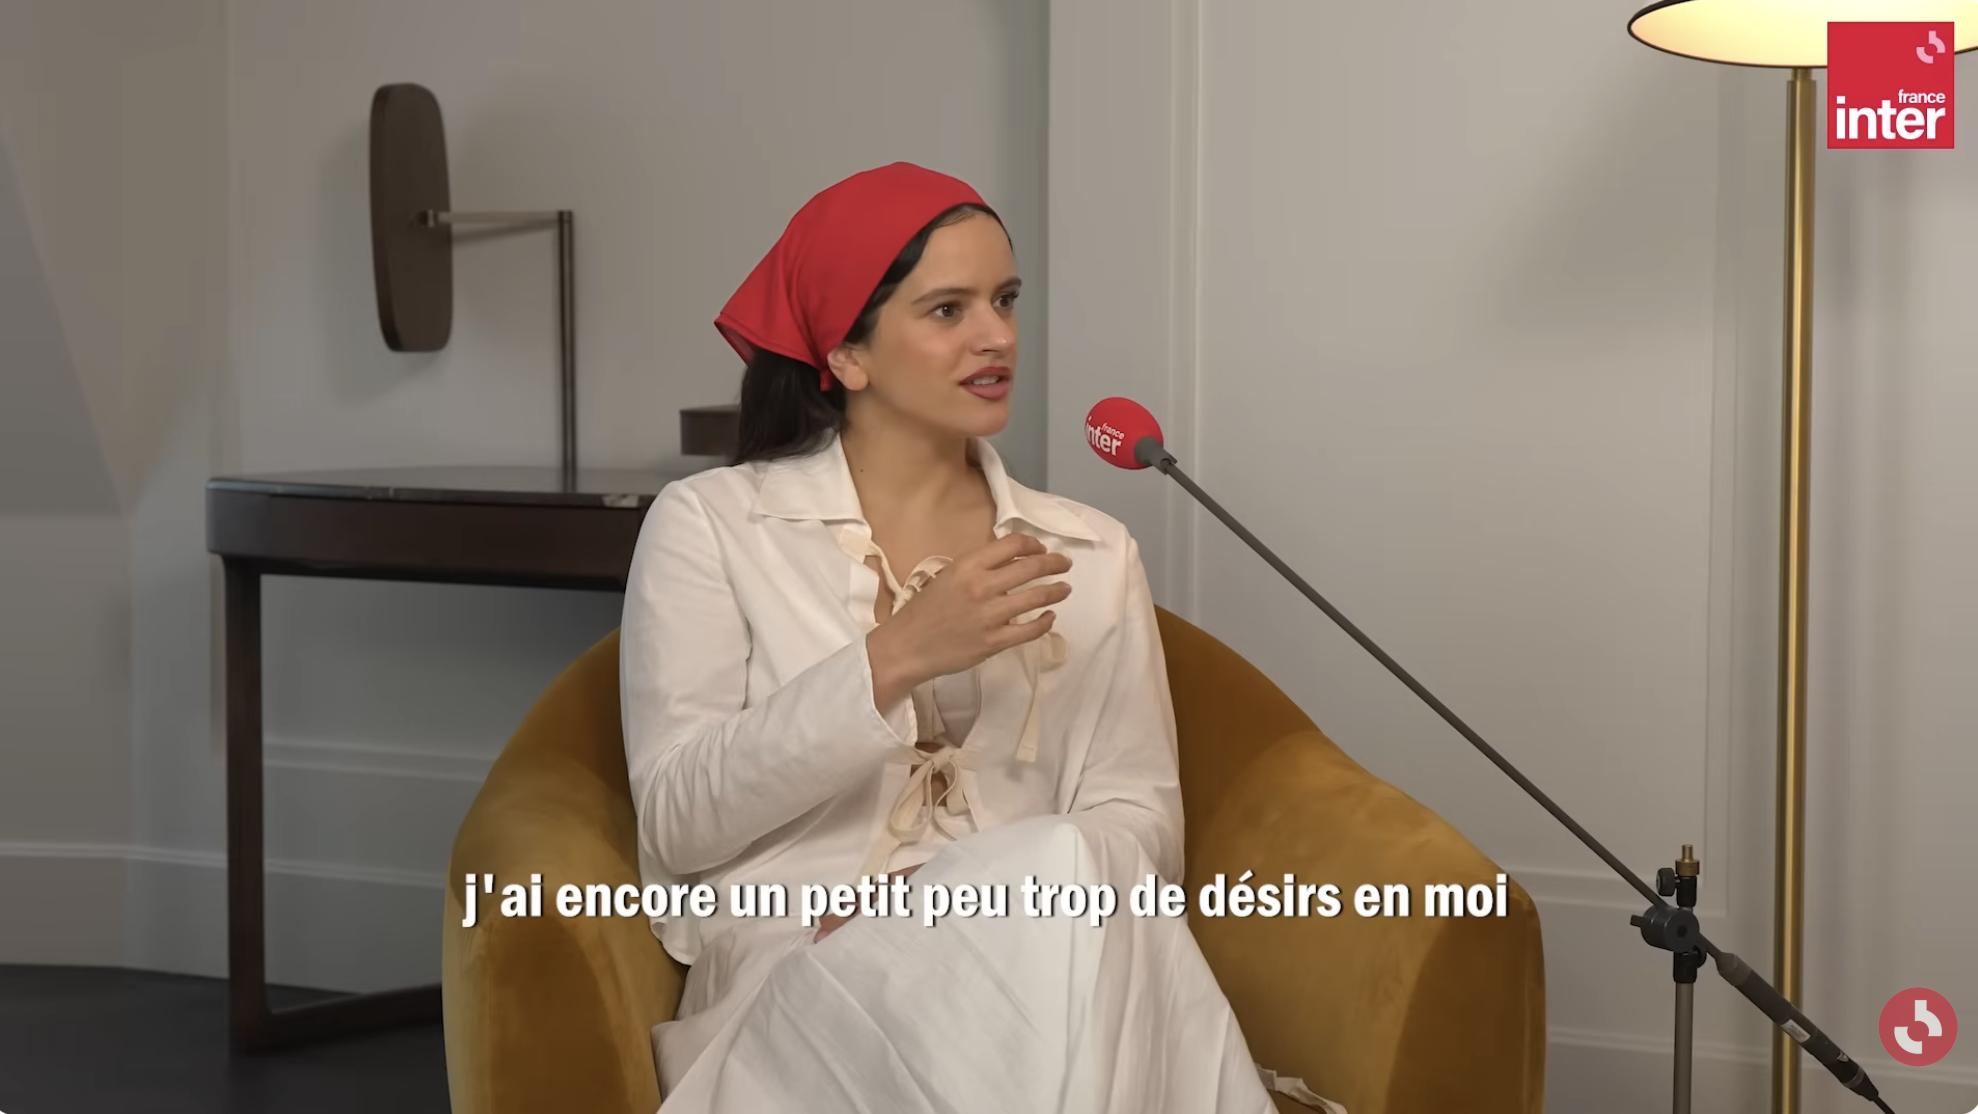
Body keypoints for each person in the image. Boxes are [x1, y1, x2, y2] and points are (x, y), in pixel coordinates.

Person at [620, 162, 1280, 1113]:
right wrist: (895, 656)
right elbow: (678, 819)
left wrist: (963, 887)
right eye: (947, 310)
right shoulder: (711, 525)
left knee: (1073, 868)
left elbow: (1139, 825)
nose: (998, 335)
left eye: (1005, 300)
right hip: (804, 971)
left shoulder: (1093, 552)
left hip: (1047, 958)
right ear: (847, 356)